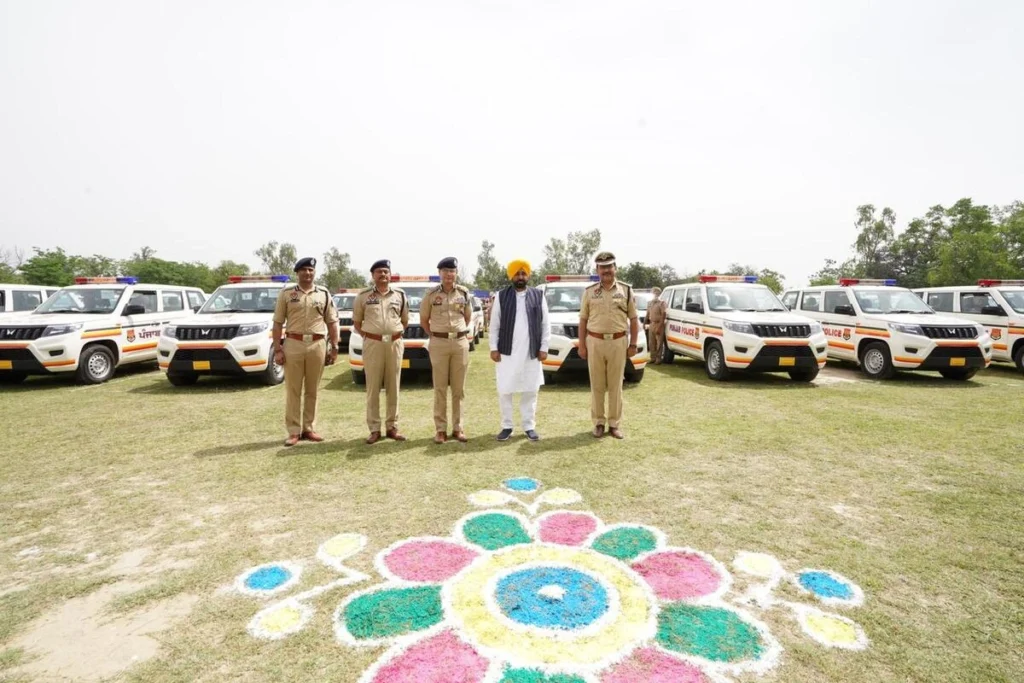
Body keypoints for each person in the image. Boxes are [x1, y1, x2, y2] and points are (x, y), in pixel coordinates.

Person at [272, 257, 339, 446]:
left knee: (313, 389)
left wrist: (334, 347)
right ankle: (294, 431)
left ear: (314, 272)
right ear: (297, 273)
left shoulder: (323, 293)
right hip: (293, 343)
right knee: (293, 390)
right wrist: (277, 349)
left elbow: (332, 322)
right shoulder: (287, 294)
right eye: (304, 270)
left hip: (317, 345)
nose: (307, 273)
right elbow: (277, 323)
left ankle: (309, 428)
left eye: (310, 270)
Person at [577, 251, 639, 439]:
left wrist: (633, 344)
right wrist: (582, 345)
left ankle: (614, 424)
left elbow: (634, 319)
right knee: (596, 385)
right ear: (597, 270)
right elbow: (583, 320)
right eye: (602, 267)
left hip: (618, 342)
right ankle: (598, 422)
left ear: (615, 268)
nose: (606, 270)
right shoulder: (589, 292)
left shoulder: (626, 290)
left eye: (609, 266)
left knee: (615, 385)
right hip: (595, 342)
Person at [489, 259, 550, 441]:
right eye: (517, 273)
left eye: (523, 273)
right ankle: (507, 426)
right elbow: (494, 325)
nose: (520, 277)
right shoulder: (501, 296)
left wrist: (544, 347)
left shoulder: (538, 295)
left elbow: (545, 324)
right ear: (511, 276)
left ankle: (529, 426)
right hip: (507, 351)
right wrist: (493, 348)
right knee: (505, 389)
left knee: (530, 390)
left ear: (528, 275)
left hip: (531, 352)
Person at [353, 259, 409, 444]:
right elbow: (357, 322)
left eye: (386, 271)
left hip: (394, 344)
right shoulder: (363, 296)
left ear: (390, 274)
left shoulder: (400, 295)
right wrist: (370, 336)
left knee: (393, 386)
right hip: (373, 344)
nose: (383, 275)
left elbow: (404, 320)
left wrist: (393, 334)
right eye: (379, 272)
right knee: (373, 387)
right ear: (373, 275)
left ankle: (392, 426)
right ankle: (374, 428)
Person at [421, 256, 472, 444]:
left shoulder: (463, 293)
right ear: (439, 273)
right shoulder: (431, 294)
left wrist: (457, 332)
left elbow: (467, 317)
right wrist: (435, 335)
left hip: (459, 342)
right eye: (445, 271)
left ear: (456, 273)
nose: (449, 274)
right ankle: (440, 429)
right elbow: (424, 320)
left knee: (459, 389)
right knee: (440, 388)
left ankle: (458, 428)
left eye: (452, 271)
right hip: (439, 343)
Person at [647, 286, 667, 364]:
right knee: (651, 342)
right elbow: (648, 313)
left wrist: (659, 326)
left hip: (659, 324)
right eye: (653, 292)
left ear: (659, 293)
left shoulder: (661, 303)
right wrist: (645, 323)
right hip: (652, 323)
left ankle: (658, 359)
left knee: (659, 342)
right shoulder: (650, 303)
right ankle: (653, 358)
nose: (655, 294)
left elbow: (663, 314)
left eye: (656, 292)